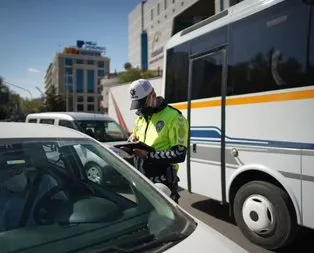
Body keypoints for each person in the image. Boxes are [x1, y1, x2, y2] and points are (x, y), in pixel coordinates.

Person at [126, 79, 189, 203]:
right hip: (141, 180)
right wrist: (130, 144)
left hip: (162, 185)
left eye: (143, 103)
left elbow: (179, 154)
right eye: (138, 104)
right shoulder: (141, 118)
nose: (141, 108)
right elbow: (135, 138)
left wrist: (148, 155)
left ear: (153, 95)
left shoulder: (175, 118)